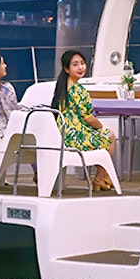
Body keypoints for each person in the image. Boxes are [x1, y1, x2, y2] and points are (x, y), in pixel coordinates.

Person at [51, 49, 116, 191]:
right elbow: (88, 118)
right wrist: (100, 126)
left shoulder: (62, 87)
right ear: (67, 69)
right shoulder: (77, 90)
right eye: (75, 64)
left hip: (62, 134)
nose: (80, 67)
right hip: (74, 137)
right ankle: (100, 178)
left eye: (82, 63)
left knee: (103, 137)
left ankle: (103, 178)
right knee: (109, 135)